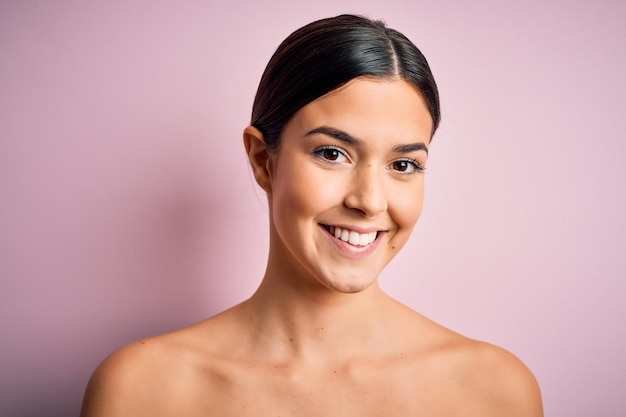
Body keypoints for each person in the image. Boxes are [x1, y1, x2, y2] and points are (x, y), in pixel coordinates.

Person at [80, 14, 543, 416]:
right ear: (264, 160)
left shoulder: (494, 391)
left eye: (403, 165)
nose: (370, 201)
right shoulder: (141, 390)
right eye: (331, 153)